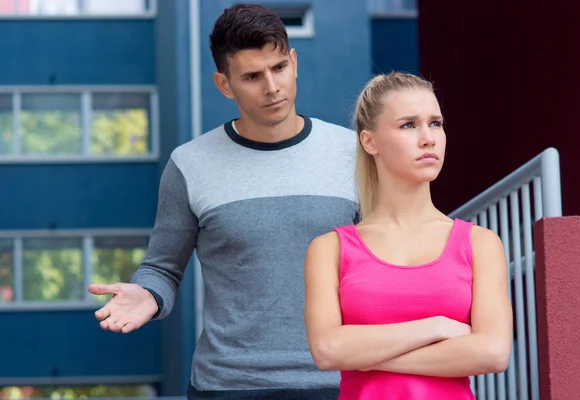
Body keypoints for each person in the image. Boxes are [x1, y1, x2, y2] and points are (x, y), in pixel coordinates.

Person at [87, 4, 358, 400]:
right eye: (251, 76)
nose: (272, 87)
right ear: (224, 84)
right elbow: (162, 266)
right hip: (228, 385)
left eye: (279, 67)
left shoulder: (353, 153)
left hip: (339, 381)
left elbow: (386, 258)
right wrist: (149, 294)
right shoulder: (190, 164)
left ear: (294, 62)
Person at [304, 71, 513, 399]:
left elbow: (492, 352)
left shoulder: (481, 243)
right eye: (408, 125)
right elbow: (328, 350)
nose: (428, 138)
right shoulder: (329, 249)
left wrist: (367, 356)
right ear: (369, 141)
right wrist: (437, 327)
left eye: (436, 123)